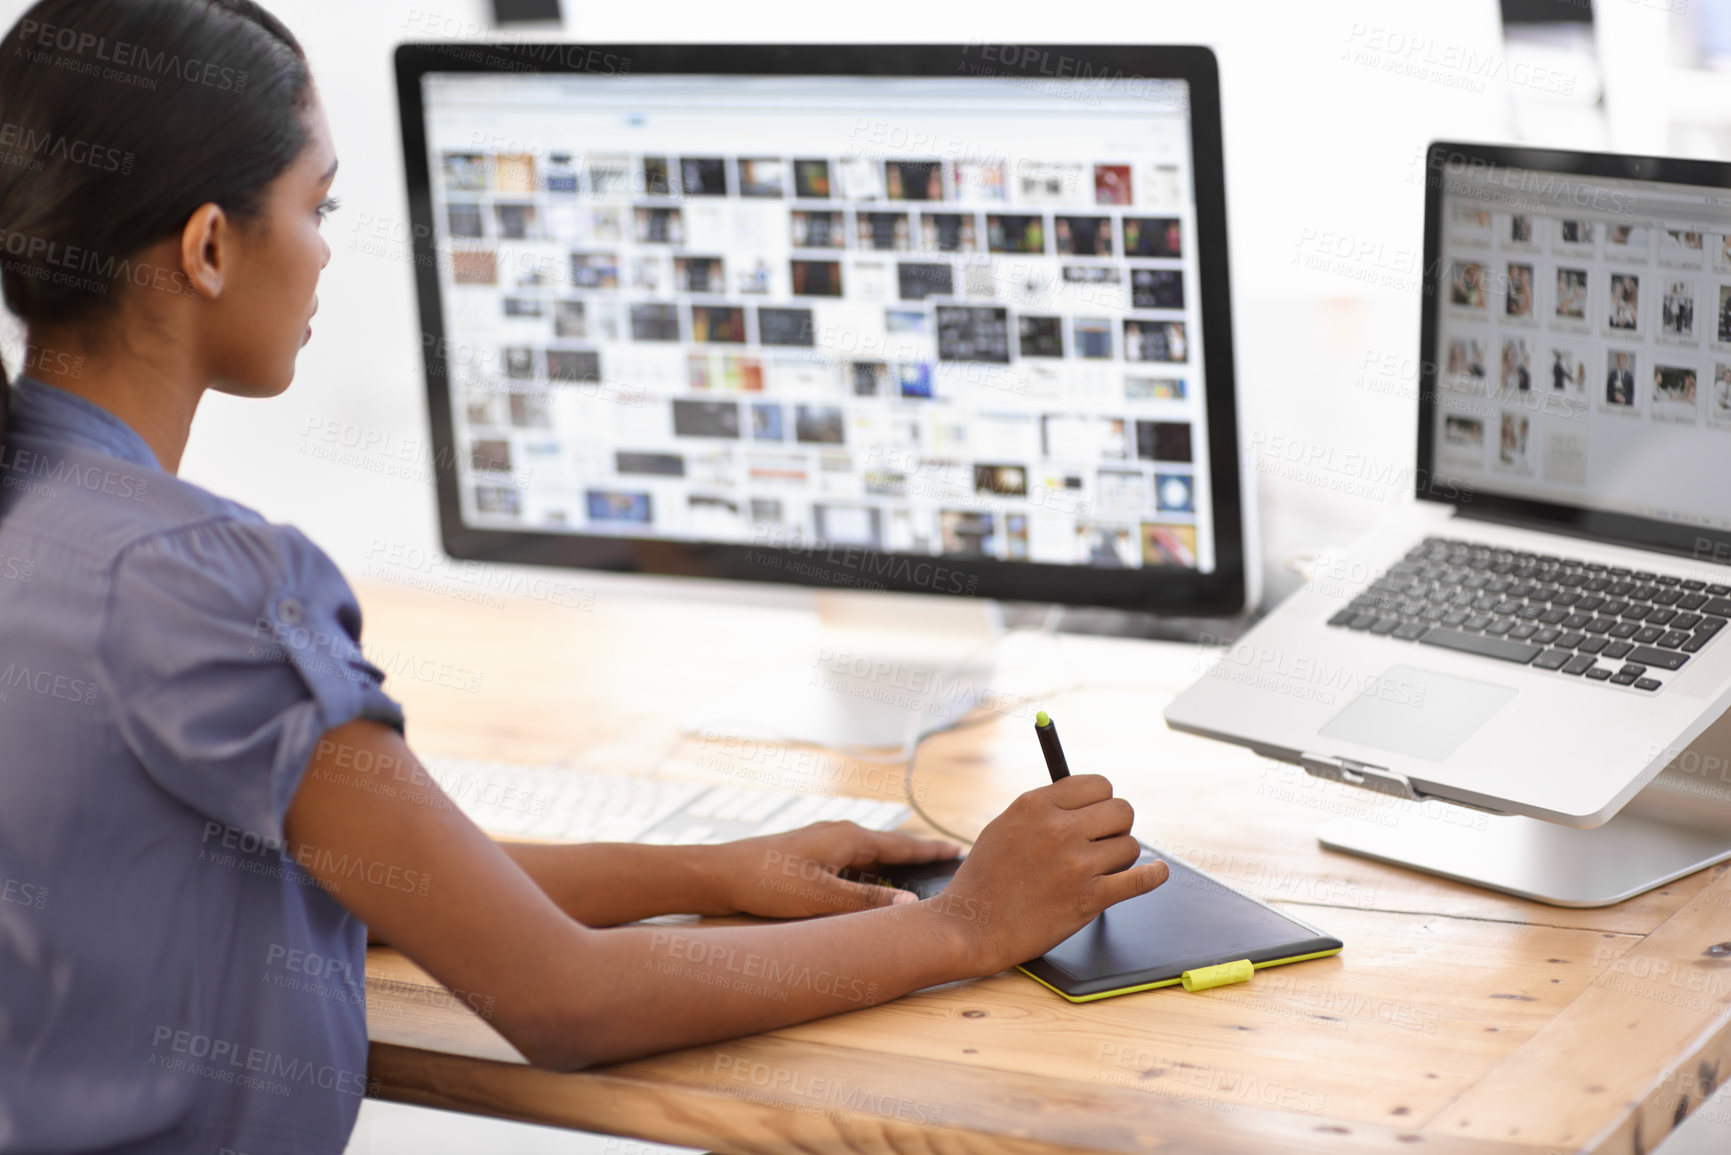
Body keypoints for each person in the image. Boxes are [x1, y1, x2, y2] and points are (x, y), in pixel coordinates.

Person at [0, 4, 1170, 1153]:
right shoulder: (204, 583)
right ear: (209, 247)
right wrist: (966, 926)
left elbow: (371, 872)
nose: (324, 251)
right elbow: (568, 1002)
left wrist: (705, 872)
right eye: (320, 206)